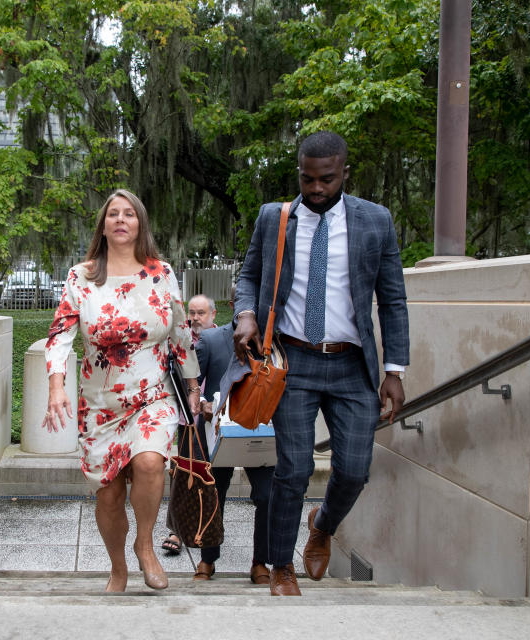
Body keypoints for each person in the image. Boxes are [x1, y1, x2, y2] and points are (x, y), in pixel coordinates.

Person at [224, 131, 409, 596]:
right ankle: (281, 566)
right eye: (307, 179)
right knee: (292, 469)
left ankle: (322, 525)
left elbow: (392, 299)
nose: (316, 188)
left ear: (345, 173)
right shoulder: (275, 218)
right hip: (293, 362)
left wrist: (395, 371)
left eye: (326, 179)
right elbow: (248, 274)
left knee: (353, 469)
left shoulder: (375, 221)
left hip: (352, 366)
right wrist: (245, 315)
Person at [44, 188, 201, 593]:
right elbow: (60, 335)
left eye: (128, 214)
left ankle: (145, 545)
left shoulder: (161, 273)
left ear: (140, 223)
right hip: (100, 403)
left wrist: (193, 384)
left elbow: (181, 332)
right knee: (109, 495)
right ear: (103, 225)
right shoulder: (82, 276)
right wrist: (56, 387)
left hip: (154, 393)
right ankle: (118, 567)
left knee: (150, 464)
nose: (120, 219)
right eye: (113, 213)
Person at [192, 288, 274, 584]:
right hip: (219, 433)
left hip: (261, 432)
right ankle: (207, 559)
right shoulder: (212, 340)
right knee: (214, 495)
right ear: (233, 308)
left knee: (267, 495)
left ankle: (260, 562)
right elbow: (192, 385)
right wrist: (203, 405)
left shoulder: (274, 342)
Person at [161, 293, 216, 556]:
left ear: (213, 315)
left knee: (213, 478)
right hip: (187, 419)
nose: (195, 318)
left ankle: (208, 526)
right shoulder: (177, 342)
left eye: (200, 313)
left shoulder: (222, 340)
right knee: (184, 475)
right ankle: (177, 530)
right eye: (191, 313)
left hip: (215, 421)